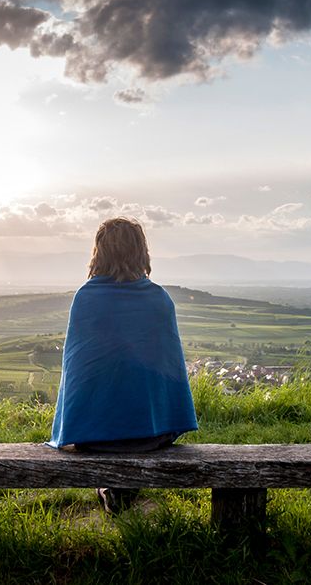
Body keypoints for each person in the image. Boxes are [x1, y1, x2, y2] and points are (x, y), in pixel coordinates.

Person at [46, 217, 199, 513]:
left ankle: (111, 488)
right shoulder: (159, 299)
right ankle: (118, 489)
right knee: (135, 440)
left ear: (98, 253)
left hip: (92, 436)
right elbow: (170, 373)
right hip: (154, 434)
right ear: (141, 253)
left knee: (113, 440)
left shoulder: (86, 298)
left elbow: (77, 372)